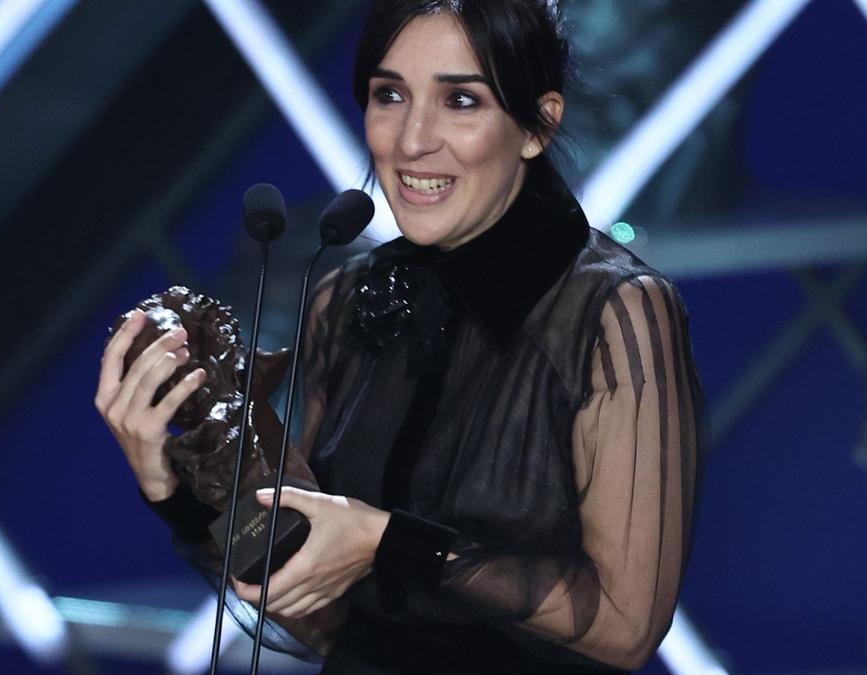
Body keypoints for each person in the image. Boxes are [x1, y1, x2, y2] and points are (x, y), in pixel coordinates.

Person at [95, 1, 705, 672]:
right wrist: (179, 494)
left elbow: (625, 625)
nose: (412, 139)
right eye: (390, 95)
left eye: (461, 100)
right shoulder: (348, 299)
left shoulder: (614, 313)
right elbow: (318, 610)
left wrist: (388, 541)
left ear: (539, 124)